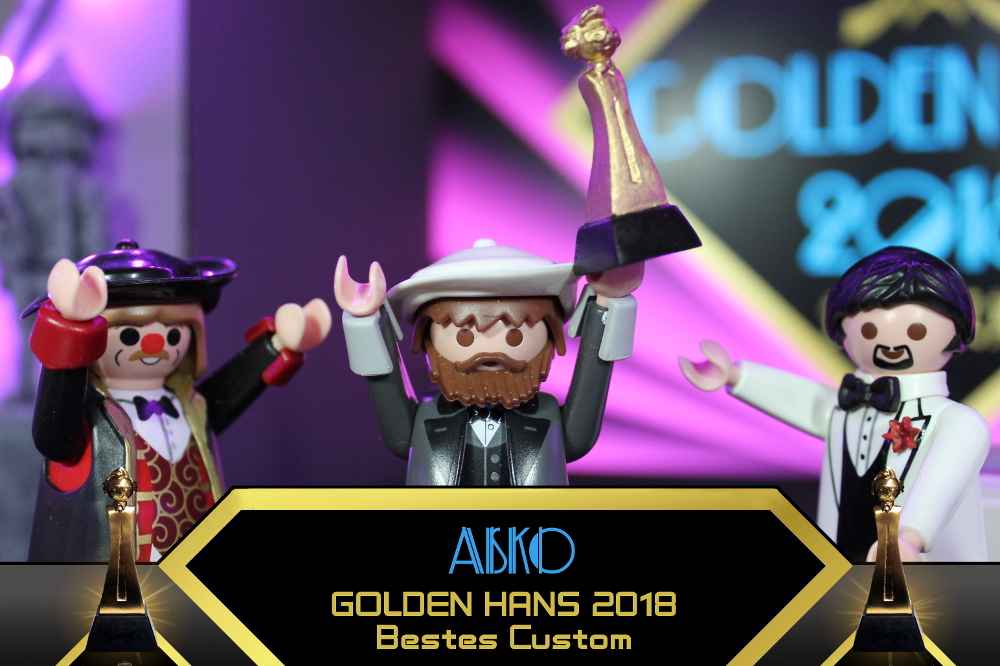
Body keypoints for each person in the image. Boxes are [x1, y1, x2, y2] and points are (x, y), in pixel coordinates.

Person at [680, 246, 990, 562]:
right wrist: (735, 375)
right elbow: (804, 398)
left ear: (957, 333)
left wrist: (909, 538)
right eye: (869, 330)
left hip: (933, 578)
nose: (891, 345)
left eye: (916, 331)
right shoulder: (846, 408)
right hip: (841, 570)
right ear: (842, 330)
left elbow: (941, 483)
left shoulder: (957, 421)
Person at [25, 241, 330, 561]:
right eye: (130, 335)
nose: (155, 345)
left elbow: (228, 393)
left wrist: (277, 345)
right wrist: (70, 332)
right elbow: (54, 436)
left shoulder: (191, 408)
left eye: (173, 335)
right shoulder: (88, 418)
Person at [334, 239, 641, 486]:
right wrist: (366, 322)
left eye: (514, 337)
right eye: (465, 336)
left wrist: (608, 305)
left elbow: (590, 391)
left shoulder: (549, 417)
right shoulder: (425, 418)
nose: (490, 353)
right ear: (428, 339)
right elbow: (388, 398)